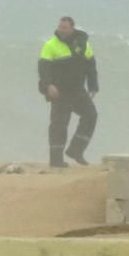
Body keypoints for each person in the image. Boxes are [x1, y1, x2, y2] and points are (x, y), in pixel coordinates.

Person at [38, 16, 98, 167]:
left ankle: (76, 151)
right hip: (59, 91)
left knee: (91, 115)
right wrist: (48, 86)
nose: (61, 30)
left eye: (64, 27)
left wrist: (93, 86)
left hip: (77, 90)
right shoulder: (50, 45)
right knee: (59, 125)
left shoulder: (83, 44)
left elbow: (90, 66)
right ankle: (56, 160)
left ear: (72, 28)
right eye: (60, 27)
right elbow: (43, 68)